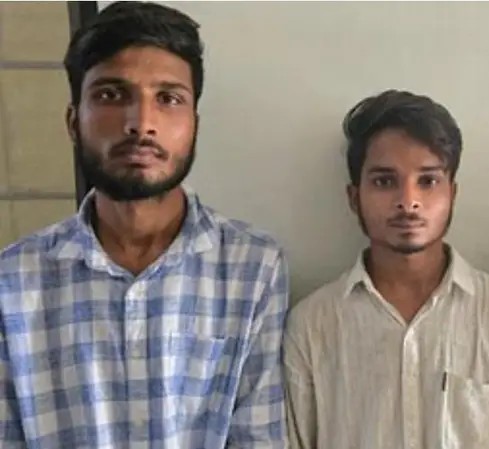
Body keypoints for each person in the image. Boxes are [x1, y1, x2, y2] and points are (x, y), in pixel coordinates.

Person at [0, 2, 288, 447]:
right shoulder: (13, 282)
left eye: (168, 99)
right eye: (111, 95)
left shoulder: (252, 267)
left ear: (194, 124)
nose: (141, 124)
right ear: (74, 122)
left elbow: (258, 438)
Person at [284, 89, 489, 449]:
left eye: (428, 181)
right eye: (384, 181)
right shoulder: (312, 325)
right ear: (354, 198)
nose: (408, 202)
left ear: (452, 193)